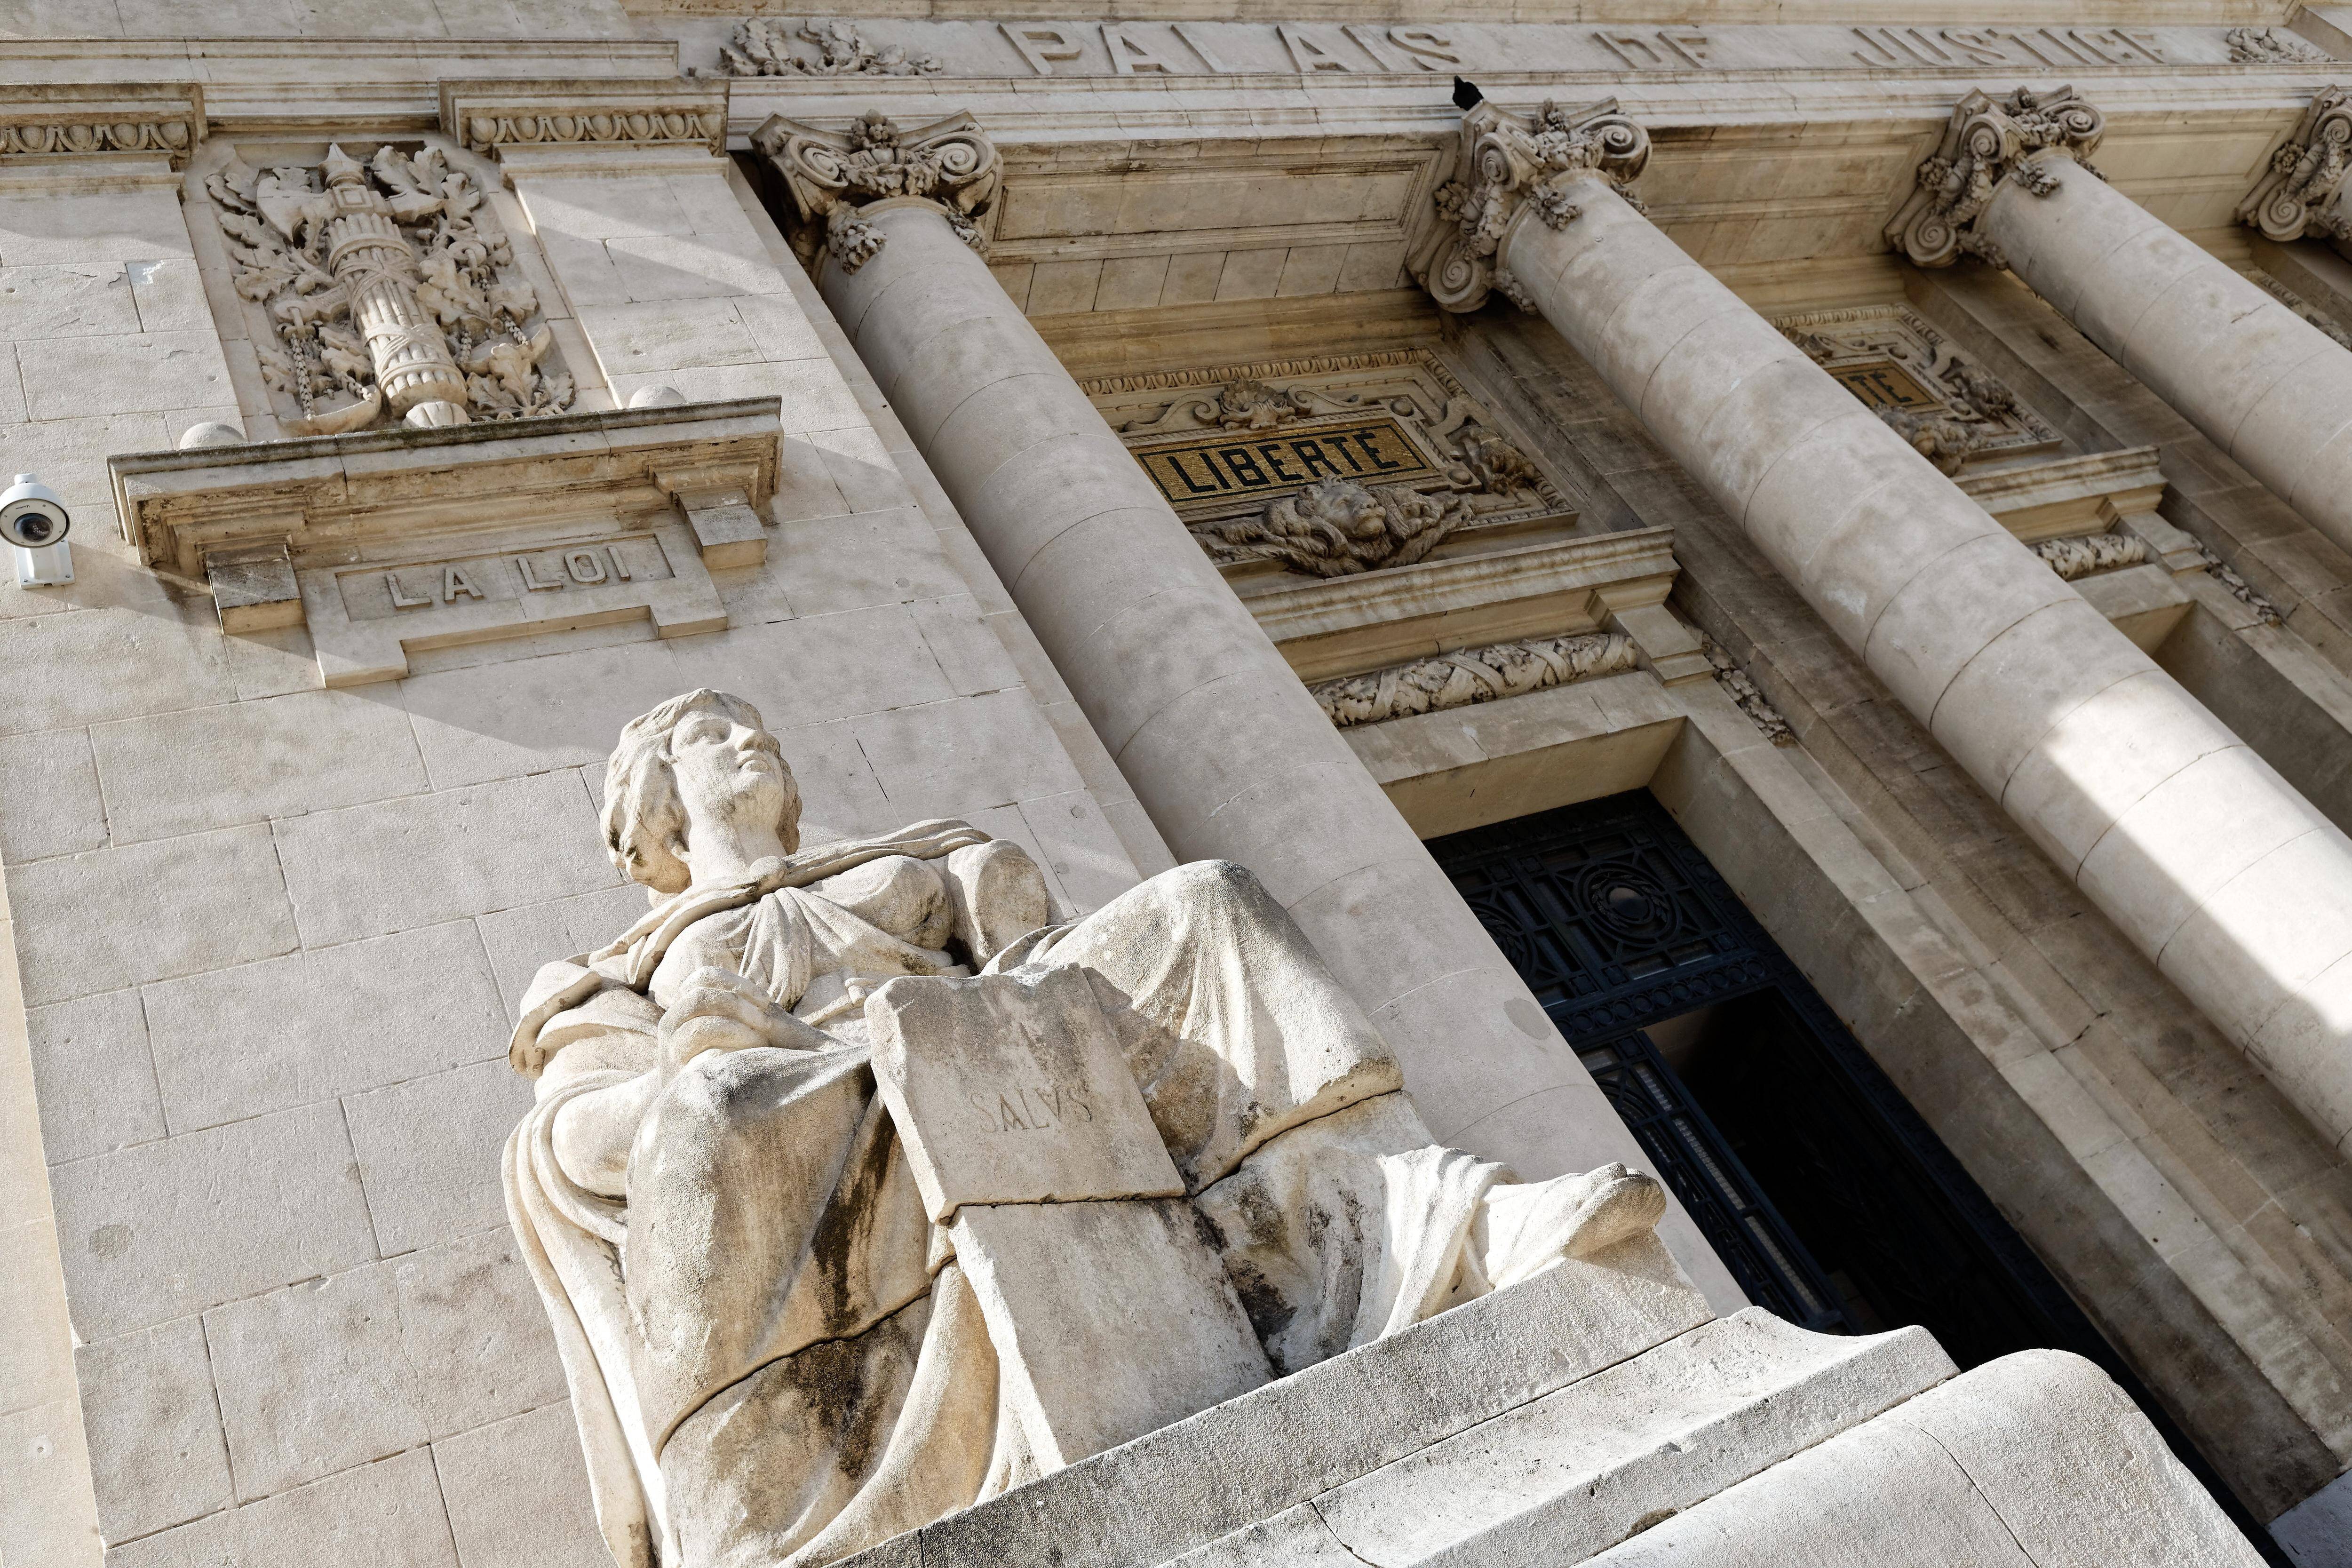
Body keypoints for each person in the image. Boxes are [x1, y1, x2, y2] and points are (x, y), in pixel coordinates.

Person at [505, 688, 1665, 1568]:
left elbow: (1032, 953)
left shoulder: (904, 858)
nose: (753, 742)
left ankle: (1435, 1225)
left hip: (977, 1038)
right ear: (655, 803)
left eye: (758, 726)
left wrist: (984, 904)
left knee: (1205, 899)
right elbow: (573, 1139)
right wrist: (697, 1051)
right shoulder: (616, 972)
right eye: (714, 735)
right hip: (814, 1114)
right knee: (712, 1112)